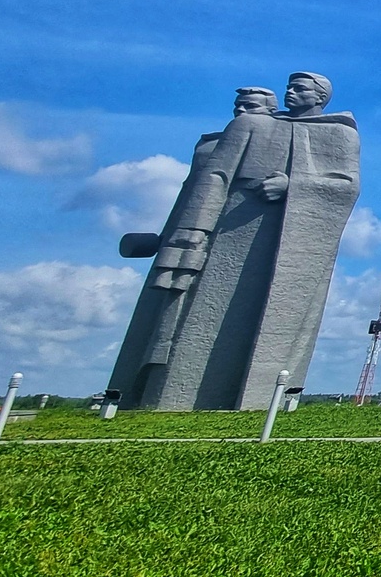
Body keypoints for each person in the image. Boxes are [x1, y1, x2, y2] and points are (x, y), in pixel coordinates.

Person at [137, 73, 361, 410]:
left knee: (275, 319)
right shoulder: (251, 126)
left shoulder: (339, 134)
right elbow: (214, 178)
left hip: (290, 240)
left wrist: (293, 186)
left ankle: (259, 400)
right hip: (230, 232)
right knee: (199, 316)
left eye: (299, 88)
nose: (290, 92)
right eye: (289, 86)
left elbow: (346, 186)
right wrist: (193, 232)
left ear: (320, 97)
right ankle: (176, 398)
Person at [106, 87, 275, 409]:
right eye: (238, 106)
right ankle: (148, 393)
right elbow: (191, 195)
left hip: (237, 243)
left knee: (203, 318)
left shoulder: (283, 136)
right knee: (168, 312)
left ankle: (181, 394)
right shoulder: (210, 145)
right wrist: (173, 233)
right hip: (191, 239)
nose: (242, 112)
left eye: (250, 106)